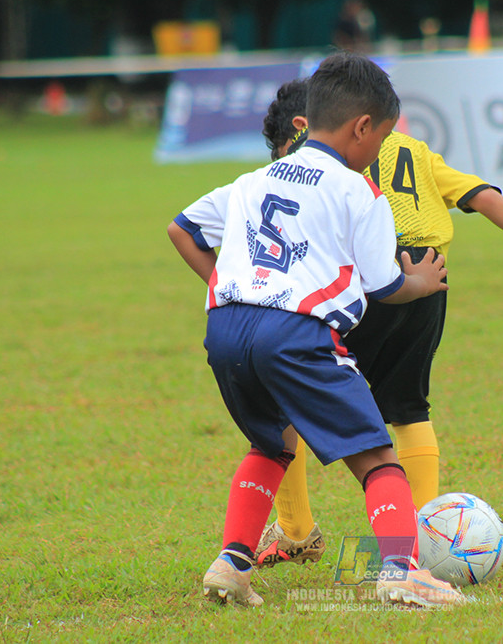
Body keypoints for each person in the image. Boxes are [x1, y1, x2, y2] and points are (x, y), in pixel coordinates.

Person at [255, 78, 503, 569]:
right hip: (430, 279)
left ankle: (296, 533)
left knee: (285, 402)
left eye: (285, 152)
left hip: (373, 281)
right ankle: (420, 541)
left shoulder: (329, 160)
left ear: (306, 126)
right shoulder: (413, 149)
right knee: (409, 408)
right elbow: (482, 195)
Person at [167, 52, 465, 609]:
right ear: (361, 128)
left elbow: (181, 226)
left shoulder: (253, 179)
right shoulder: (359, 192)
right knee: (377, 456)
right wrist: (419, 283)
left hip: (226, 330)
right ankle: (402, 569)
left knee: (270, 443)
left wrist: (227, 286)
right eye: (381, 139)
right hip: (296, 333)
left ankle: (232, 563)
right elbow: (383, 288)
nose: (378, 153)